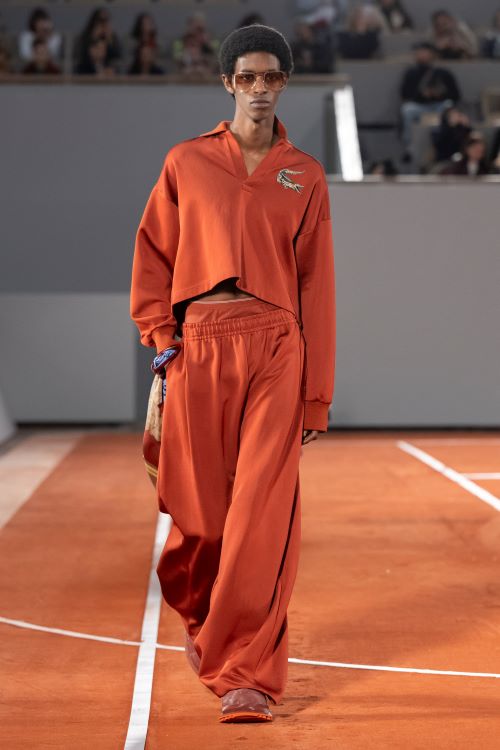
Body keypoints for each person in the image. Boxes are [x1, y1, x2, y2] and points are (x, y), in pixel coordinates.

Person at [130, 23, 335, 723]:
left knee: (260, 517)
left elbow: (316, 285)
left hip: (276, 347)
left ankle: (247, 673)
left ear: (284, 83)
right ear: (227, 83)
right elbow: (154, 255)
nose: (259, 89)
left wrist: (315, 396)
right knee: (203, 520)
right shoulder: (186, 161)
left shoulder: (304, 173)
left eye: (270, 77)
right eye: (246, 77)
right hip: (201, 345)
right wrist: (164, 341)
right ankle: (208, 619)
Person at [399, 41, 460, 162]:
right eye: (419, 52)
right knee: (407, 109)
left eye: (425, 52)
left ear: (432, 54)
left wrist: (439, 94)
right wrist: (421, 95)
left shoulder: (443, 73)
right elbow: (404, 94)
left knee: (448, 106)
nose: (422, 55)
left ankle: (443, 144)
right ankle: (409, 146)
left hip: (439, 105)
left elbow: (456, 95)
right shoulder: (411, 73)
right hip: (419, 106)